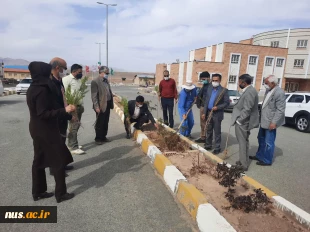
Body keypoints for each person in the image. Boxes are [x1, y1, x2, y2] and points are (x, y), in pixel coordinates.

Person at [27, 61, 75, 203]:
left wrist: (66, 114)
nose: (49, 75)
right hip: (45, 130)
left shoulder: (33, 87)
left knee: (39, 160)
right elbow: (43, 113)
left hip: (36, 128)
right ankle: (61, 194)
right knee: (58, 160)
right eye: (47, 72)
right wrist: (64, 110)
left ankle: (38, 191)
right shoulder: (42, 90)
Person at [250, 75, 286, 166]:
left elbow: (280, 110)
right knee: (261, 139)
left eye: (266, 83)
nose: (265, 85)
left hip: (271, 122)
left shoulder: (279, 93)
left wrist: (274, 122)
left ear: (273, 83)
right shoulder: (268, 90)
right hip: (264, 120)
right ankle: (259, 155)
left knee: (268, 142)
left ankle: (267, 160)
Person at [49, 57, 74, 174]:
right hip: (56, 119)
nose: (64, 71)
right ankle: (56, 169)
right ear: (57, 67)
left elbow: (63, 99)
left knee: (61, 143)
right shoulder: (49, 82)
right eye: (63, 68)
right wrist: (67, 114)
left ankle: (61, 165)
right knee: (55, 145)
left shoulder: (59, 80)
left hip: (63, 117)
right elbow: (55, 104)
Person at [231, 74, 259, 171]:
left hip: (243, 122)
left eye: (239, 82)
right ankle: (243, 160)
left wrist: (239, 120)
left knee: (242, 142)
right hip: (244, 121)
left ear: (244, 82)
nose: (238, 84)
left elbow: (247, 108)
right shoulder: (248, 90)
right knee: (244, 142)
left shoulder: (250, 91)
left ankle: (243, 165)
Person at [202, 74, 230, 155]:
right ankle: (208, 144)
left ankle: (217, 147)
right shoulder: (209, 89)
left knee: (217, 131)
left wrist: (218, 107)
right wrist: (204, 112)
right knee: (208, 130)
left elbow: (226, 103)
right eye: (213, 80)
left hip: (217, 114)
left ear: (220, 81)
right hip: (208, 112)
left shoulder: (223, 90)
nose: (214, 82)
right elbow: (206, 101)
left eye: (216, 80)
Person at [62, 64, 85, 155]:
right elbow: (63, 93)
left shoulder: (79, 80)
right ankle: (73, 147)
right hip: (72, 107)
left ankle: (72, 143)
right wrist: (68, 106)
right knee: (73, 126)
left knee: (76, 125)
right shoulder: (66, 79)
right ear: (74, 71)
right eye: (79, 72)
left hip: (79, 106)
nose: (81, 73)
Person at [91, 66, 114, 145]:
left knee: (105, 122)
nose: (107, 74)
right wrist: (96, 107)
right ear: (101, 73)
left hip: (107, 104)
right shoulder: (95, 81)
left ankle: (103, 137)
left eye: (108, 73)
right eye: (106, 73)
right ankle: (98, 138)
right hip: (100, 106)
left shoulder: (106, 81)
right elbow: (94, 96)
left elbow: (107, 91)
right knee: (100, 123)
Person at [195, 71, 211, 143]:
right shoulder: (204, 86)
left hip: (207, 108)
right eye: (201, 79)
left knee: (207, 124)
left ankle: (207, 138)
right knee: (202, 123)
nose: (203, 81)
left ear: (208, 78)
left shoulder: (211, 87)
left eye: (204, 79)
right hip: (202, 106)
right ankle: (203, 137)